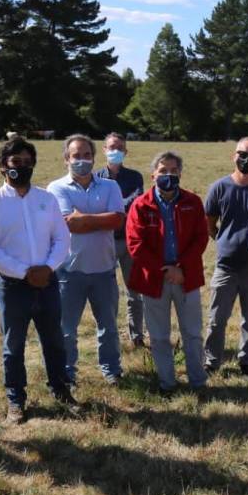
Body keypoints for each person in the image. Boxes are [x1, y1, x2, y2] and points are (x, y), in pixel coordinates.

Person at [0, 137, 78, 424]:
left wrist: (46, 268)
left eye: (27, 162)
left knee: (54, 341)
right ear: (2, 167)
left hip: (48, 282)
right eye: (15, 162)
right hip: (12, 286)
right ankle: (16, 400)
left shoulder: (46, 199)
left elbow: (62, 238)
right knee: (14, 346)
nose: (22, 167)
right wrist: (25, 272)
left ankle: (61, 390)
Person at [125, 151, 209, 392]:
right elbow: (135, 244)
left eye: (173, 171)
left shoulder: (193, 202)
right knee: (159, 336)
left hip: (186, 277)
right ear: (153, 175)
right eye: (163, 171)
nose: (168, 175)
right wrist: (164, 271)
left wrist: (180, 268)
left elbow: (200, 239)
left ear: (180, 174)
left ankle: (198, 381)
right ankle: (167, 382)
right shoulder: (141, 205)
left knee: (192, 333)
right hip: (154, 280)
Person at [47, 134, 125, 386]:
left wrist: (85, 219)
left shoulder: (110, 186)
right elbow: (68, 223)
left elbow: (117, 220)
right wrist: (99, 219)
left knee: (109, 327)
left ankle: (111, 369)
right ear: (66, 159)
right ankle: (67, 372)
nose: (82, 160)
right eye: (76, 156)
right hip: (69, 272)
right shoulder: (56, 188)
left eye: (86, 155)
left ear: (94, 157)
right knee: (67, 330)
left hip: (104, 269)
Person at [203, 137, 248, 376]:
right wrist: (224, 242)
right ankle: (211, 360)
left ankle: (246, 360)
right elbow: (209, 223)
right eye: (242, 153)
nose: (245, 159)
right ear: (234, 155)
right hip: (226, 266)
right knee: (216, 318)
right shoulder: (219, 188)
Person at [94, 132, 147, 348]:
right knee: (107, 293)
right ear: (104, 150)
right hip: (105, 241)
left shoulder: (135, 177)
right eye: (111, 147)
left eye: (120, 148)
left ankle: (137, 336)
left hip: (130, 241)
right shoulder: (96, 178)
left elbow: (137, 207)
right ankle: (110, 334)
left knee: (135, 292)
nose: (115, 151)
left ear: (125, 152)